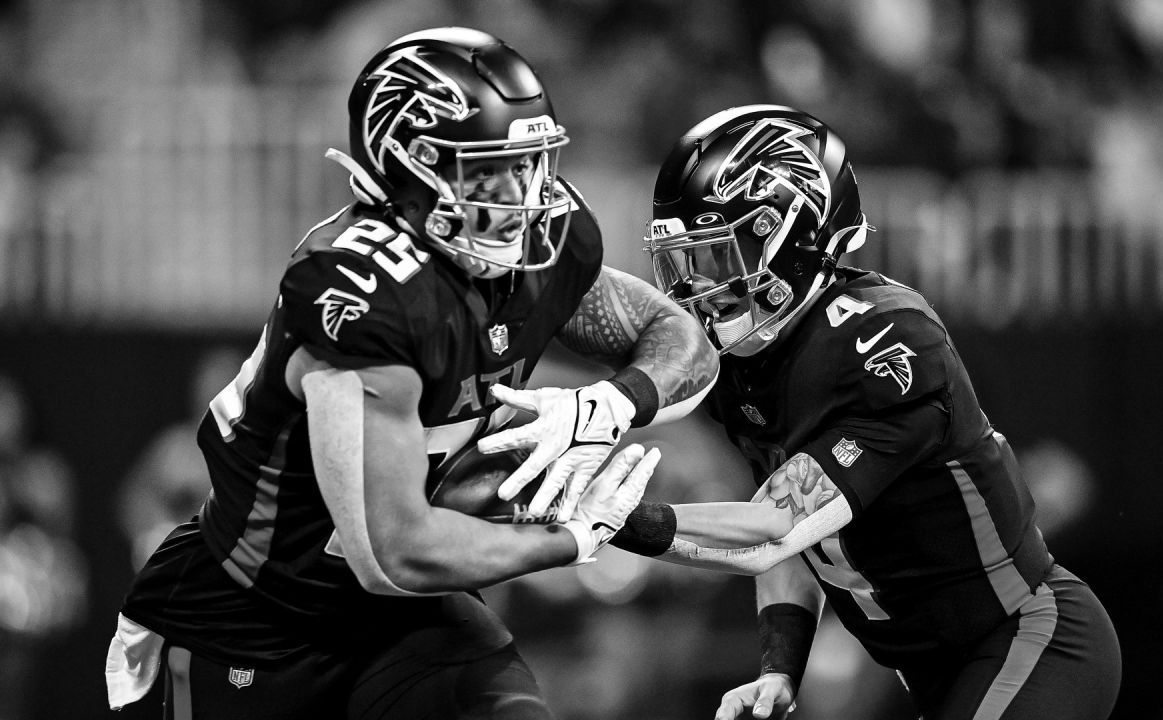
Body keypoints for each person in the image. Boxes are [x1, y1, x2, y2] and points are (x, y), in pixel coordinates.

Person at [104, 27, 718, 720]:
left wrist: (607, 404)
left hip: (407, 620)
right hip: (259, 618)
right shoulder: (361, 289)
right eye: (487, 169)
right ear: (410, 168)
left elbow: (681, 340)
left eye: (526, 164)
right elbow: (392, 553)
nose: (522, 194)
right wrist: (574, 537)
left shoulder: (542, 245)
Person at [608, 105, 1122, 720]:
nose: (696, 284)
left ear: (792, 235)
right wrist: (779, 665)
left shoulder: (883, 341)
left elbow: (771, 527)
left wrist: (609, 517)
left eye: (719, 255)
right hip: (936, 671)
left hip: (1030, 638)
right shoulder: (748, 361)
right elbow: (794, 542)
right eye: (687, 260)